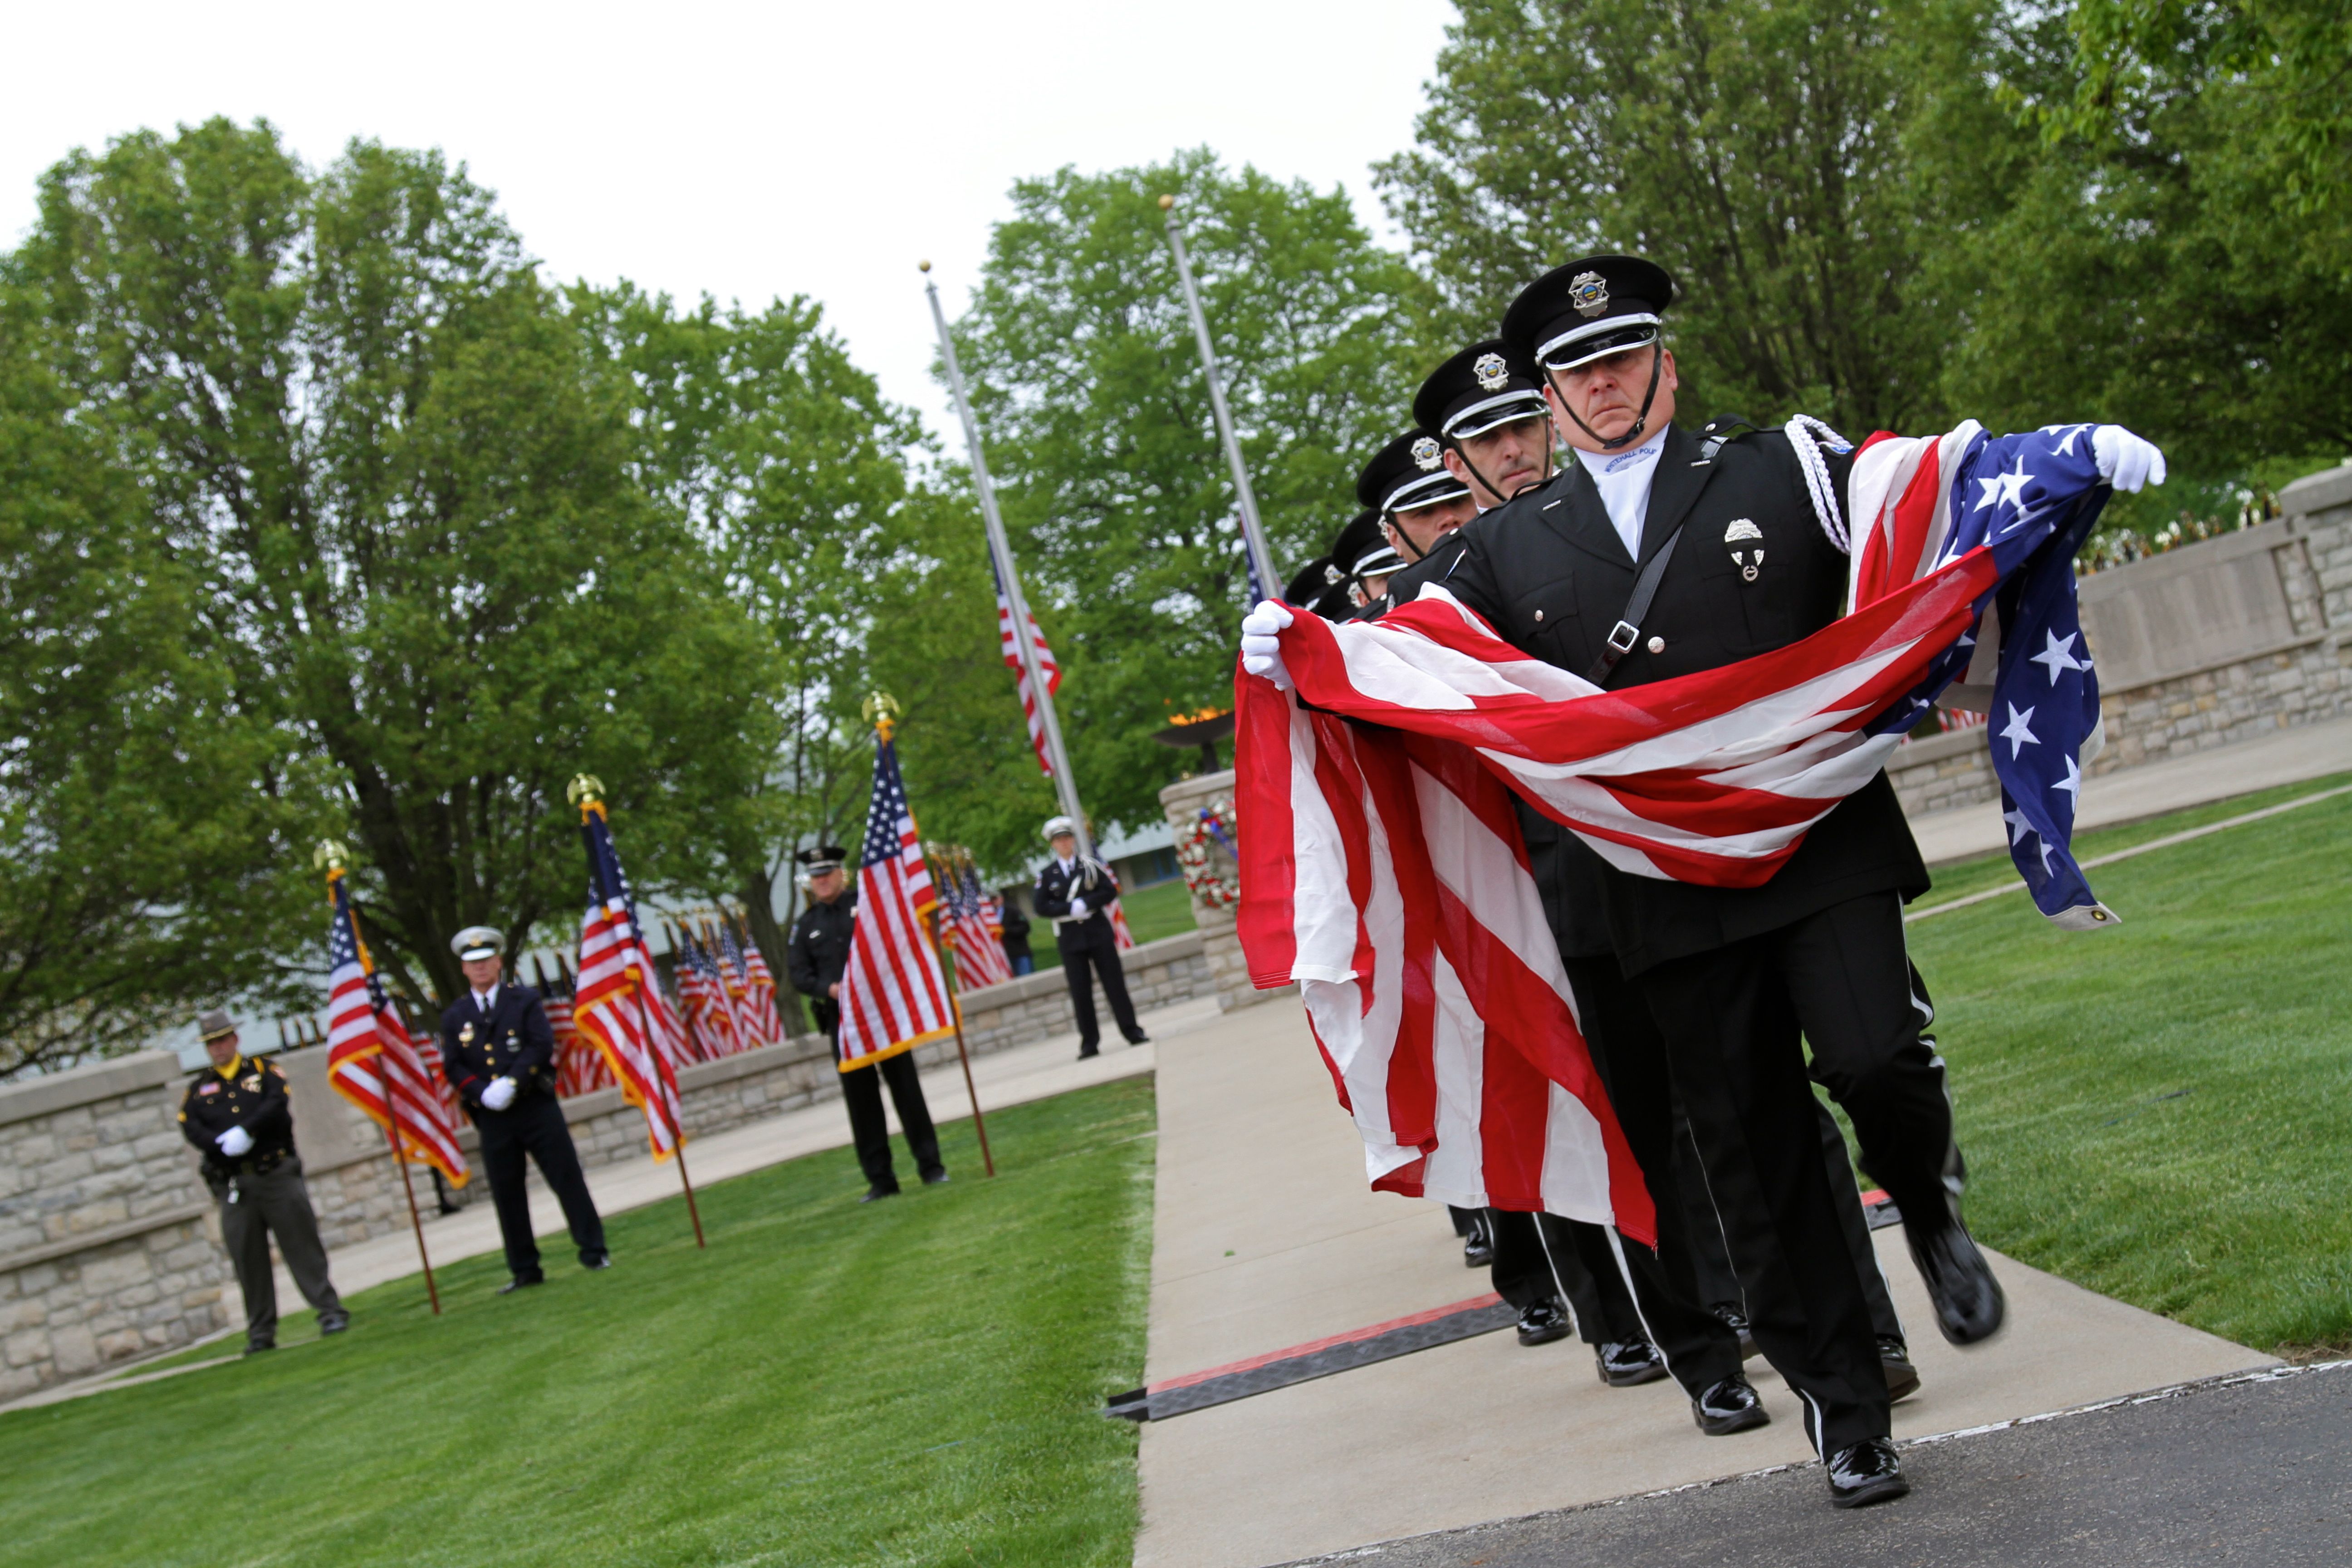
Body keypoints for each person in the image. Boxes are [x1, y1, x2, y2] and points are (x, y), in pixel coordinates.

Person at [1248, 252, 2165, 1506]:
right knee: (1756, 1147)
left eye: (1624, 355)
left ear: (1665, 363)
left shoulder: (1779, 466)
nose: (1606, 382)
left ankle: (1932, 1203)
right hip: (1659, 890)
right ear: (1550, 398)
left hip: (1816, 842)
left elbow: (1924, 488)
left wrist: (2059, 453)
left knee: (1875, 1058)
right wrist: (1305, 650)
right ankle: (1844, 1407)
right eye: (1578, 368)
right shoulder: (1505, 550)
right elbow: (1414, 660)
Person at [439, 926, 610, 1291]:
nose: (481, 968)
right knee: (506, 1192)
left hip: (535, 1105)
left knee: (566, 1178)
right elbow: (452, 1064)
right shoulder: (456, 1015)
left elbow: (541, 1043)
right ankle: (525, 1269)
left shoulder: (524, 1001)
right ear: (464, 970)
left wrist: (512, 1082)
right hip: (493, 1116)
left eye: (486, 961)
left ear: (498, 962)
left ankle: (594, 1251)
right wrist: (481, 1092)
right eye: (473, 964)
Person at [178, 1010, 348, 1354]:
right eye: (211, 1043)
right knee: (248, 1259)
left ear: (235, 1039)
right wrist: (218, 1144)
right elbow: (190, 1125)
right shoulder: (199, 1089)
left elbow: (276, 1104)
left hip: (274, 1173)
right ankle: (261, 1331)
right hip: (234, 1182)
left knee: (302, 1247)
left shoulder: (263, 1071)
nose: (218, 1047)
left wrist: (247, 1130)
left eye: (223, 1039)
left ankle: (329, 1311)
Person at [786, 846, 946, 1200]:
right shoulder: (806, 925)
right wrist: (827, 988)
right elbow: (798, 973)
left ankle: (931, 1167)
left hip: (882, 1014)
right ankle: (881, 1180)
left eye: (828, 873)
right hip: (843, 1024)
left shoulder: (868, 907)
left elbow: (894, 943)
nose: (822, 881)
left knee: (907, 1091)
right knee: (862, 1105)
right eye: (816, 876)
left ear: (841, 874)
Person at [1033, 817, 1147, 1058]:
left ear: (1073, 839)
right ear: (1053, 845)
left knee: (1114, 984)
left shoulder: (1090, 866)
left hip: (1097, 931)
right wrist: (1068, 909)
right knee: (1080, 991)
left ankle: (1132, 1031)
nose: (1064, 843)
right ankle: (1089, 1043)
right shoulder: (1047, 874)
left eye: (1067, 838)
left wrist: (1086, 902)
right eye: (1059, 840)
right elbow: (1040, 906)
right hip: (1070, 937)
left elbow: (1109, 890)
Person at [997, 894, 1036, 976]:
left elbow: (1025, 927)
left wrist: (1006, 931)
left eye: (995, 899)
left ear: (1001, 898)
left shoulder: (1013, 910)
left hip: (1020, 951)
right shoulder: (992, 914)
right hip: (1004, 955)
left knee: (1026, 978)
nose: (994, 901)